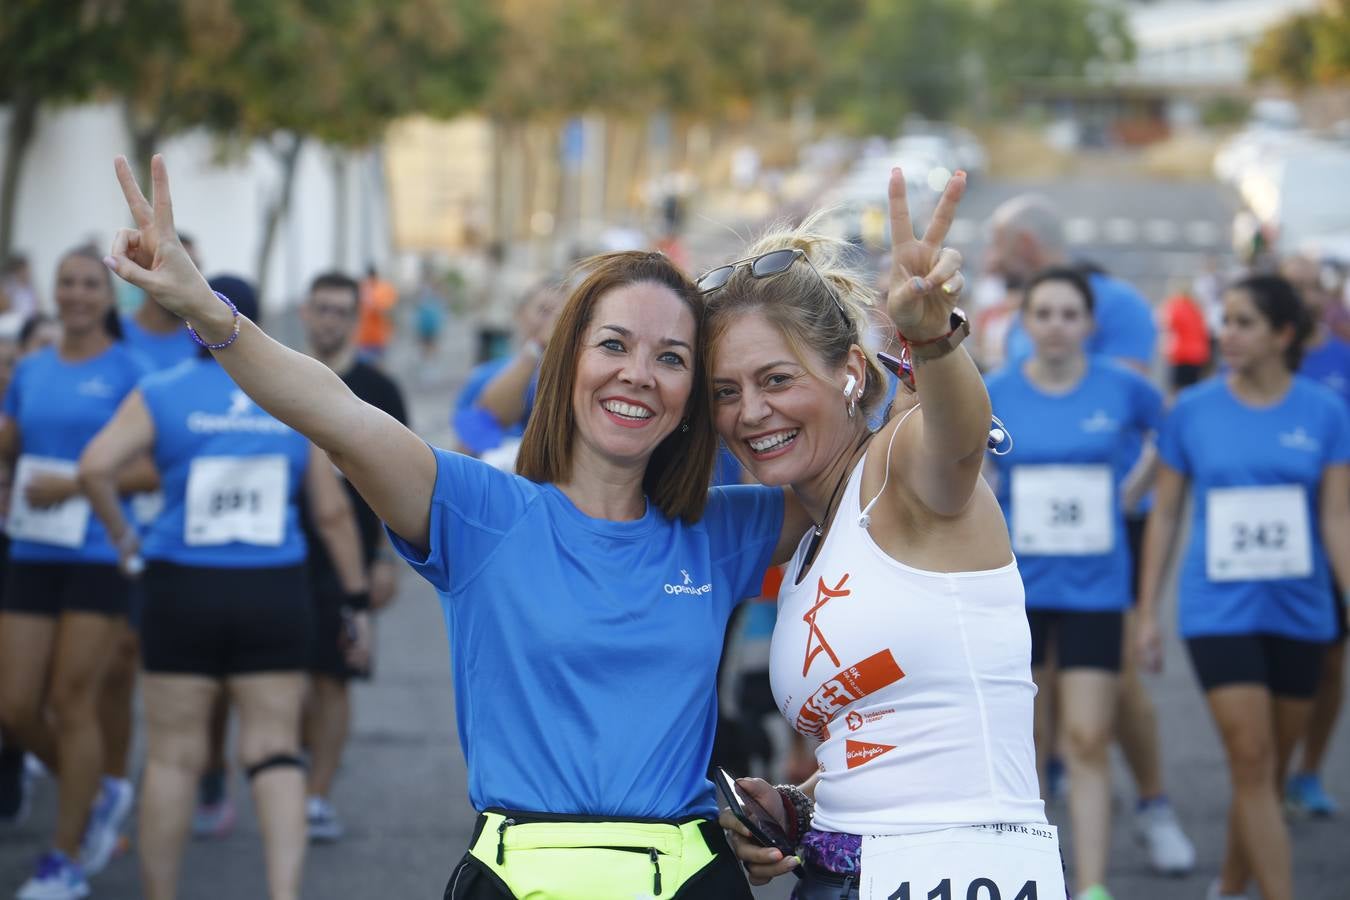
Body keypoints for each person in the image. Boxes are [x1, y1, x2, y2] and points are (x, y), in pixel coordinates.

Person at [103, 154, 811, 900]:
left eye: (671, 358)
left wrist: (888, 347)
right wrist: (208, 311)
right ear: (566, 359)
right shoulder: (484, 514)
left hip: (692, 880)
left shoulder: (722, 530)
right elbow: (336, 415)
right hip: (519, 880)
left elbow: (874, 468)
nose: (638, 373)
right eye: (614, 345)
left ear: (691, 396)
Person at [708, 170, 1066, 900]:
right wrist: (800, 805)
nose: (751, 413)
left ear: (849, 370)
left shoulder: (899, 471)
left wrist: (932, 337)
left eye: (776, 379)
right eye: (727, 391)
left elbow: (960, 441)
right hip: (839, 878)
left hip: (966, 874)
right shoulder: (812, 539)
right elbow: (893, 747)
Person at [77, 274, 369, 900]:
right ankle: (284, 892)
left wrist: (126, 544)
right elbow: (331, 513)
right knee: (274, 749)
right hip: (272, 592)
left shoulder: (163, 391)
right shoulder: (291, 397)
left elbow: (95, 467)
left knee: (172, 756)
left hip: (180, 588)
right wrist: (355, 600)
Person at [985, 194, 1195, 879]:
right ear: (1024, 321)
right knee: (1032, 743)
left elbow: (1172, 441)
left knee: (1086, 737)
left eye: (1069, 314)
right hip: (1020, 589)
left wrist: (1127, 493)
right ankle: (1036, 879)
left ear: (1088, 323)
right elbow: (972, 467)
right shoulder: (996, 391)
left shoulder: (1121, 389)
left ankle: (1095, 884)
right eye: (1042, 313)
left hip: (1097, 588)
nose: (1055, 325)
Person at [1136, 274, 1350, 900]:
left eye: (1243, 323)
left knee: (1267, 772)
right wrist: (1148, 611)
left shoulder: (1326, 412)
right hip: (1218, 609)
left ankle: (1229, 887)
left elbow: (1337, 516)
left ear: (1284, 335)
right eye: (1223, 321)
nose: (1224, 334)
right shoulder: (1194, 410)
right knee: (1252, 758)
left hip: (1301, 609)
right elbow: (1167, 513)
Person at [0, 246, 154, 899]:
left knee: (71, 700)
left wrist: (75, 484)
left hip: (96, 553)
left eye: (91, 284)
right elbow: (10, 443)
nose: (77, 294)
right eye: (67, 283)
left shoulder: (130, 373)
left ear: (108, 295)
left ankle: (63, 862)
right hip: (32, 551)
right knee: (13, 706)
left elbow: (152, 469)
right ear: (52, 293)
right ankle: (96, 795)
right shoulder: (30, 370)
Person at [297, 271, 409, 841]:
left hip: (351, 560)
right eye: (322, 309)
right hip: (284, 558)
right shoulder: (284, 382)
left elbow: (407, 483)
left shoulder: (380, 390)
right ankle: (298, 766)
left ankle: (316, 795)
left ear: (356, 317)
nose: (331, 320)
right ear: (304, 312)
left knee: (333, 677)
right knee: (285, 682)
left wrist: (386, 560)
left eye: (342, 310)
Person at [1279, 253, 1350, 818]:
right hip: (1270, 532)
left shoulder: (1342, 359)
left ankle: (1306, 771)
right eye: (1291, 287)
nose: (1302, 297)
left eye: (1309, 288)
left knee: (1329, 662)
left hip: (1335, 525)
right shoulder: (1257, 352)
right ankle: (1269, 767)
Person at [451, 280, 562, 460]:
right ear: (520, 314)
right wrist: (536, 347)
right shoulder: (485, 376)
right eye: (544, 311)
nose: (553, 323)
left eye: (563, 316)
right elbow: (467, 445)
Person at [355, 265, 398, 361]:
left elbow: (388, 311)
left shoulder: (383, 289)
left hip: (378, 337)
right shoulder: (362, 288)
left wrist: (374, 304)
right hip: (363, 338)